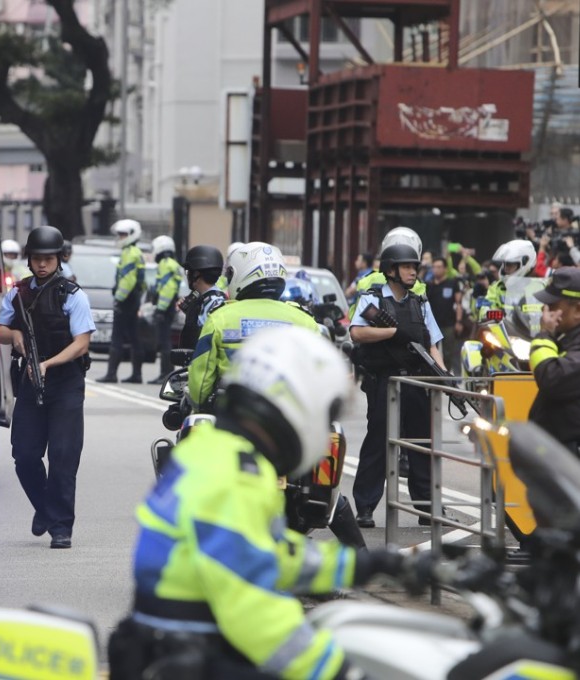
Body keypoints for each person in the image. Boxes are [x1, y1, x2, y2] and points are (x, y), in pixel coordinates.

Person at [109, 327, 404, 680]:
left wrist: (367, 567)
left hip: (173, 643)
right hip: (189, 655)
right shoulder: (235, 476)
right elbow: (253, 611)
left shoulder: (217, 452)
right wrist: (340, 671)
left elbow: (266, 553)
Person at [0, 225, 95, 549]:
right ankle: (45, 509)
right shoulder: (19, 293)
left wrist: (48, 364)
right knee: (24, 455)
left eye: (48, 259)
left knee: (64, 457)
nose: (42, 264)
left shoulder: (72, 294)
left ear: (58, 259)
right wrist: (15, 336)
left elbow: (81, 343)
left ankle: (61, 527)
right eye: (36, 259)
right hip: (30, 381)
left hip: (65, 382)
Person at [349, 241, 445, 529]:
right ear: (391, 270)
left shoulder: (420, 302)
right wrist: (393, 332)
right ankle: (365, 507)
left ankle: (427, 506)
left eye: (414, 267)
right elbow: (357, 333)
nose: (412, 272)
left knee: (421, 444)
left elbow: (433, 343)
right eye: (406, 267)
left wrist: (444, 375)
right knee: (378, 443)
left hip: (416, 380)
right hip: (386, 382)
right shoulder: (373, 299)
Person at [189, 242, 319, 409]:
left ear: (239, 274)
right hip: (289, 418)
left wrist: (199, 405)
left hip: (233, 416)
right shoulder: (305, 321)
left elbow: (200, 383)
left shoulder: (220, 318)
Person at [528, 267, 580, 454]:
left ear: (578, 310)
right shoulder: (567, 337)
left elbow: (552, 378)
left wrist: (544, 336)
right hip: (557, 455)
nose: (545, 311)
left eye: (553, 305)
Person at [97, 219, 147, 384]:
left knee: (117, 337)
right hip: (133, 300)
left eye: (123, 234)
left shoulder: (130, 253)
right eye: (119, 234)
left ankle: (112, 374)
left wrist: (118, 298)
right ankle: (137, 375)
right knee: (134, 338)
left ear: (133, 235)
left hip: (127, 301)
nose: (120, 237)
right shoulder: (134, 252)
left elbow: (128, 280)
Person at [177, 245, 227, 351]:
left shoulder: (214, 303)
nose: (188, 276)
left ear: (196, 274)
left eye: (188, 272)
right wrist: (191, 312)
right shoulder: (205, 299)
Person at [149, 235, 182, 384]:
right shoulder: (172, 263)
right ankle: (165, 373)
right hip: (168, 307)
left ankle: (166, 374)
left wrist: (160, 309)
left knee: (165, 343)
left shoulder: (166, 264)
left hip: (166, 308)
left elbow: (167, 289)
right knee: (165, 342)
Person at [426, 257, 465, 374]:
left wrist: (459, 321)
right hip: (432, 324)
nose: (436, 270)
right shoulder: (429, 285)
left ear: (445, 269)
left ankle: (446, 374)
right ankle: (434, 374)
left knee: (448, 353)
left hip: (449, 323)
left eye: (439, 267)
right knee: (431, 351)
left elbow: (458, 303)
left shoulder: (452, 283)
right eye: (434, 267)